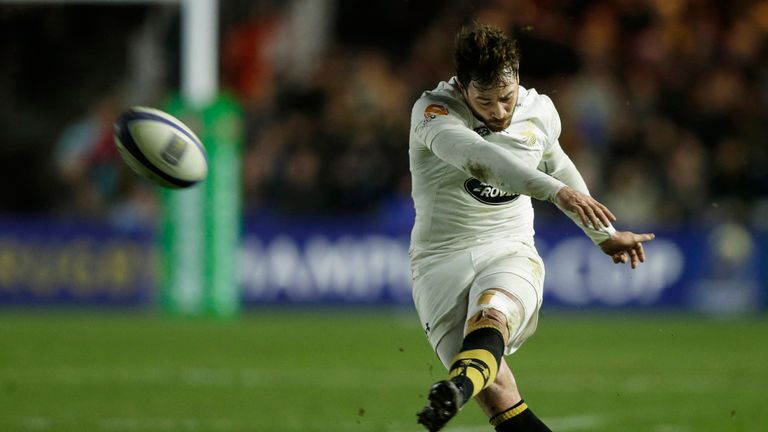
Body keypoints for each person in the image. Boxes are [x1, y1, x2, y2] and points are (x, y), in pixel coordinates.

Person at [409, 24, 656, 431]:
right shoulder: (433, 112)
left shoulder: (538, 111)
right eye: (485, 101)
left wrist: (604, 236)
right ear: (462, 86)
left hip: (509, 247)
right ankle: (463, 384)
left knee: (493, 311)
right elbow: (482, 160)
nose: (500, 111)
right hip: (440, 260)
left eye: (506, 98)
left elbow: (557, 163)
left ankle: (456, 388)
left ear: (518, 79)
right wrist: (557, 194)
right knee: (498, 391)